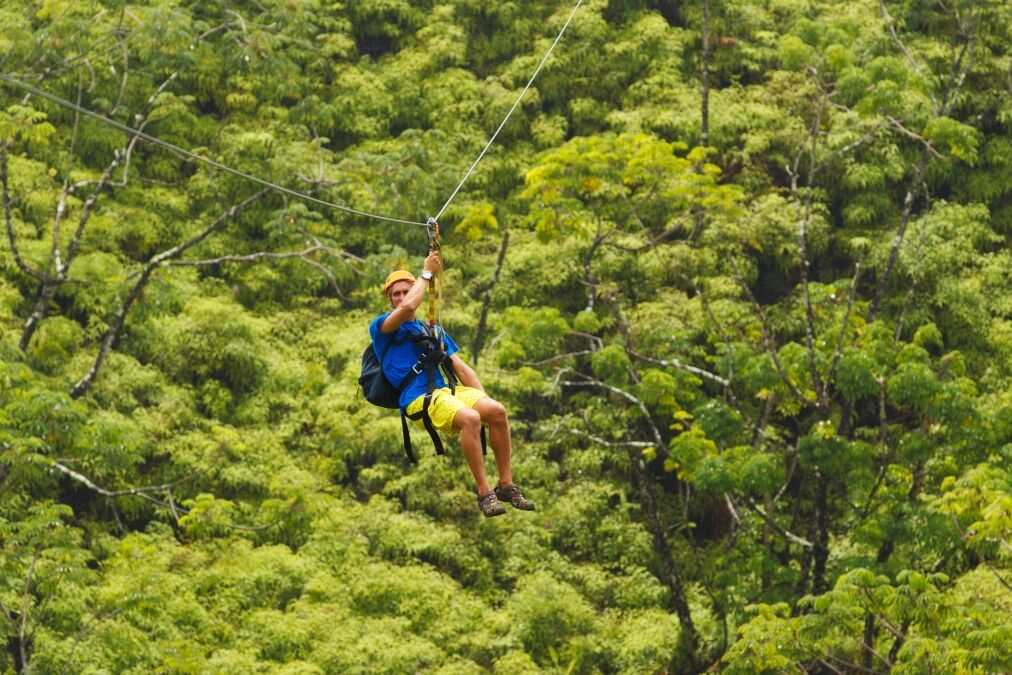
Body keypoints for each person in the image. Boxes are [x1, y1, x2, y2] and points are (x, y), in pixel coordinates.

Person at [370, 250, 535, 517]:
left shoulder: (432, 330)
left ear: (414, 291)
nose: (401, 297)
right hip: (418, 398)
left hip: (446, 391)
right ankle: (485, 494)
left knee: (497, 411)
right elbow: (408, 308)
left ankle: (506, 485)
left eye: (405, 291)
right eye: (395, 294)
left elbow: (460, 367)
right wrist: (426, 273)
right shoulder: (382, 328)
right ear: (389, 299)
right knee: (470, 418)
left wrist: (485, 403)